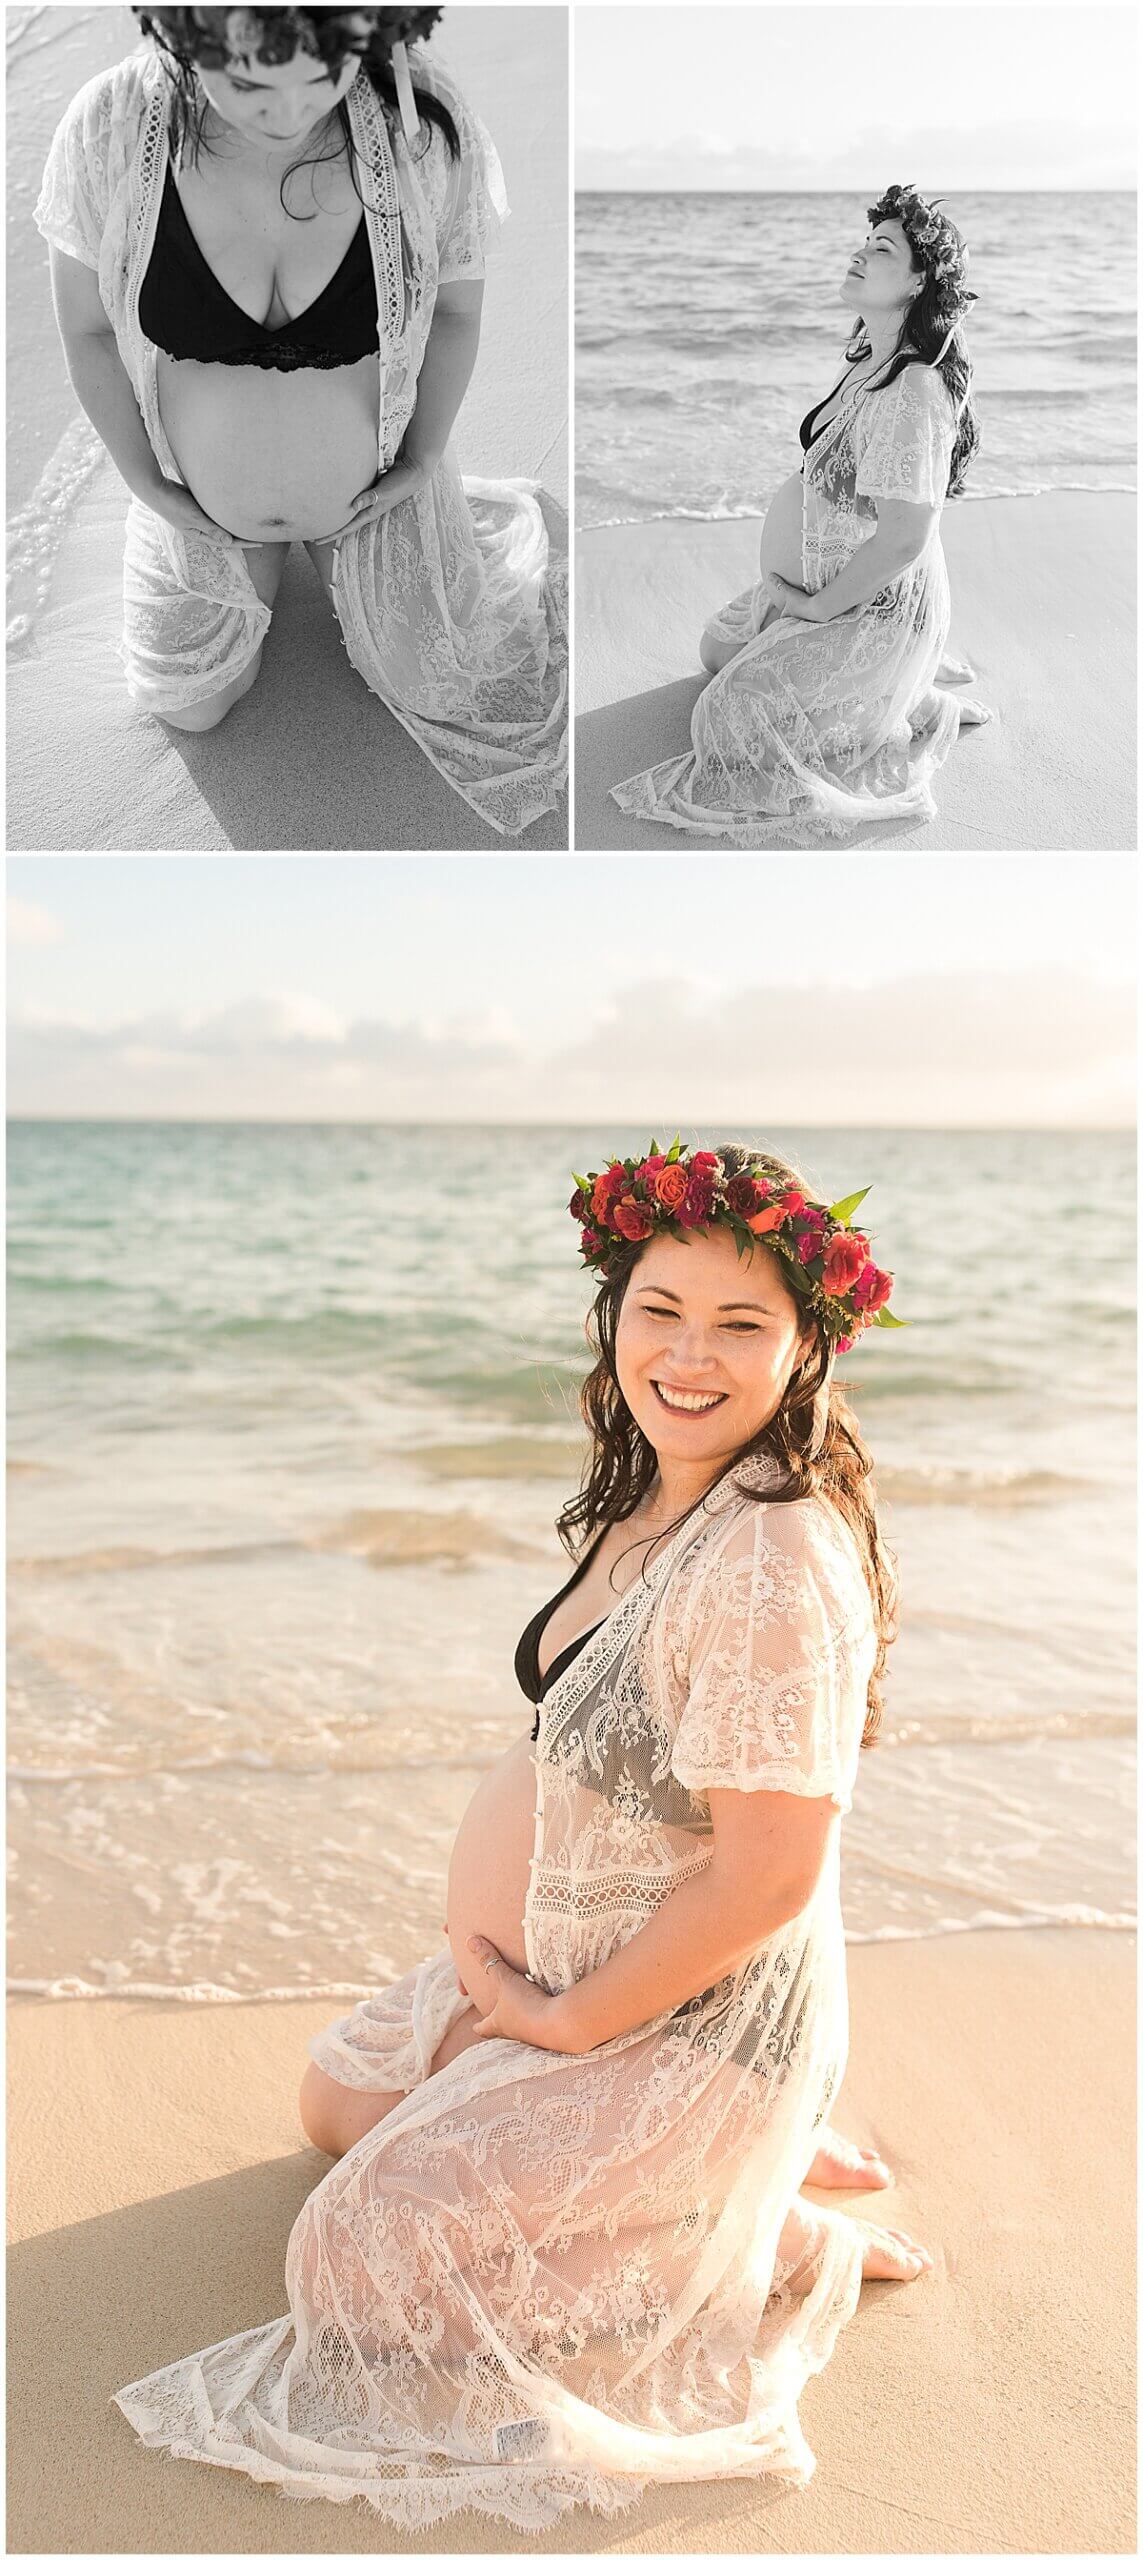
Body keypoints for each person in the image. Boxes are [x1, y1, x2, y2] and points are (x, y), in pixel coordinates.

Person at [112, 1138, 934, 2533]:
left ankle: (758, 2229)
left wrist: (562, 2028)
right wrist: (530, 1993)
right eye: (658, 1310)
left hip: (676, 2017)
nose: (687, 1353)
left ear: (806, 1350)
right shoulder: (666, 1492)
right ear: (611, 1315)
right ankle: (738, 2171)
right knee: (334, 2103)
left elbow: (769, 1875)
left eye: (742, 1324)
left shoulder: (770, 1561)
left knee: (356, 2269)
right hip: (577, 1971)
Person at [33, 5, 567, 837]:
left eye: (324, 76)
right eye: (246, 82)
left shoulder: (418, 124)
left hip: (374, 488)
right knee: (193, 702)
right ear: (184, 36)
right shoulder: (112, 124)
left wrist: (421, 460)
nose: (286, 116)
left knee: (446, 686)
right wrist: (145, 483)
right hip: (192, 497)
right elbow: (89, 329)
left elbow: (457, 313)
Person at [611, 185, 991, 847]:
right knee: (716, 650)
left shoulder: (913, 390)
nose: (858, 253)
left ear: (917, 280)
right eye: (863, 241)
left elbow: (905, 538)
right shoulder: (869, 359)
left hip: (870, 607)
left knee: (725, 725)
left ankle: (912, 699)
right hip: (829, 587)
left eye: (881, 248)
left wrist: (818, 610)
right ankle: (889, 686)